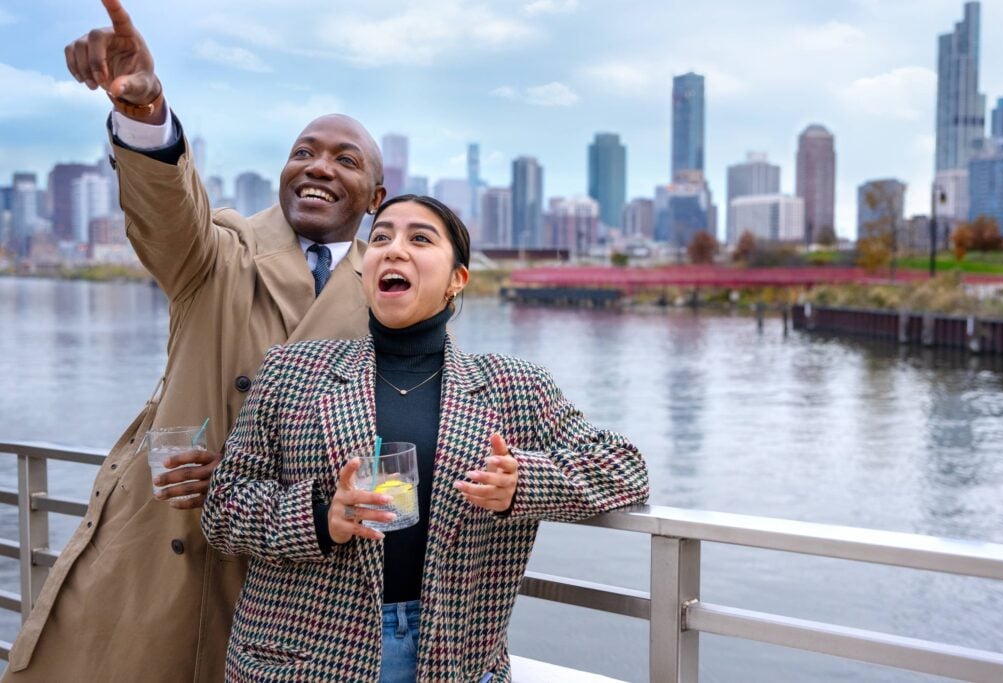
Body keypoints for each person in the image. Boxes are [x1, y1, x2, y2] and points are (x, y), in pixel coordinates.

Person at [3, 1, 385, 680]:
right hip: (164, 553)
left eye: (344, 159)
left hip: (291, 580)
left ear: (376, 194)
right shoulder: (219, 252)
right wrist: (146, 114)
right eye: (303, 152)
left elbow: (393, 450)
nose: (318, 166)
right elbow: (168, 211)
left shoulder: (388, 297)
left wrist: (253, 486)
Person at [201, 195, 650, 682]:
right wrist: (319, 515)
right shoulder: (293, 370)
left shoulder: (514, 385)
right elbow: (222, 508)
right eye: (380, 237)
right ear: (364, 269)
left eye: (419, 238)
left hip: (456, 654)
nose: (394, 249)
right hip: (301, 657)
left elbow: (625, 468)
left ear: (458, 279)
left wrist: (523, 483)